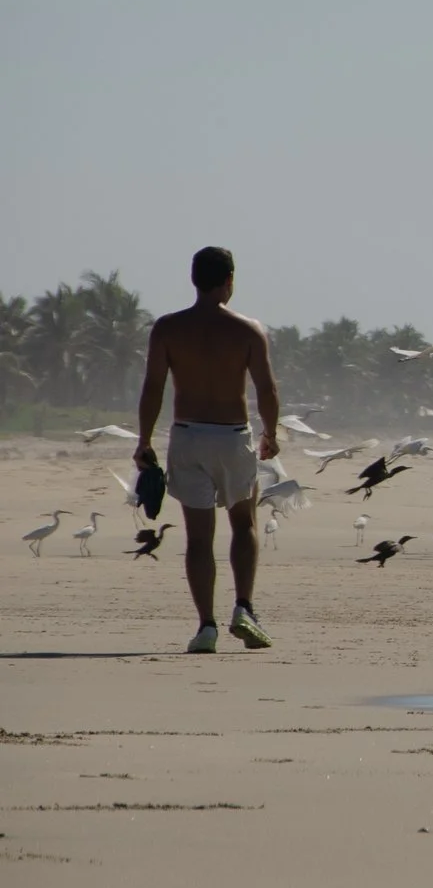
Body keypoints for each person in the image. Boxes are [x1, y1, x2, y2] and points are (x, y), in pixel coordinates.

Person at [134, 247, 282, 653]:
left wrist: (144, 440)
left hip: (188, 436)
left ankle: (206, 627)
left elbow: (153, 387)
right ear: (229, 280)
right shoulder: (248, 330)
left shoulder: (167, 328)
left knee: (199, 539)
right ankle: (244, 608)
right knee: (244, 524)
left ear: (193, 279)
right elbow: (266, 389)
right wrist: (270, 434)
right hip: (233, 436)